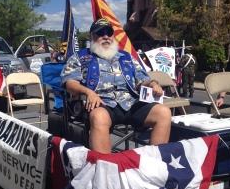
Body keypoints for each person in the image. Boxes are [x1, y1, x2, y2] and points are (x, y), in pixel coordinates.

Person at [61, 18, 172, 153]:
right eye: (100, 33)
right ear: (91, 36)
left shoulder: (126, 57)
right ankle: (105, 168)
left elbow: (142, 79)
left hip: (130, 103)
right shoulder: (80, 57)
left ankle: (154, 163)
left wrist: (153, 83)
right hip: (101, 102)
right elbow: (69, 82)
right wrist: (89, 92)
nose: (105, 36)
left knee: (163, 113)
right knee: (99, 117)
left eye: (109, 32)